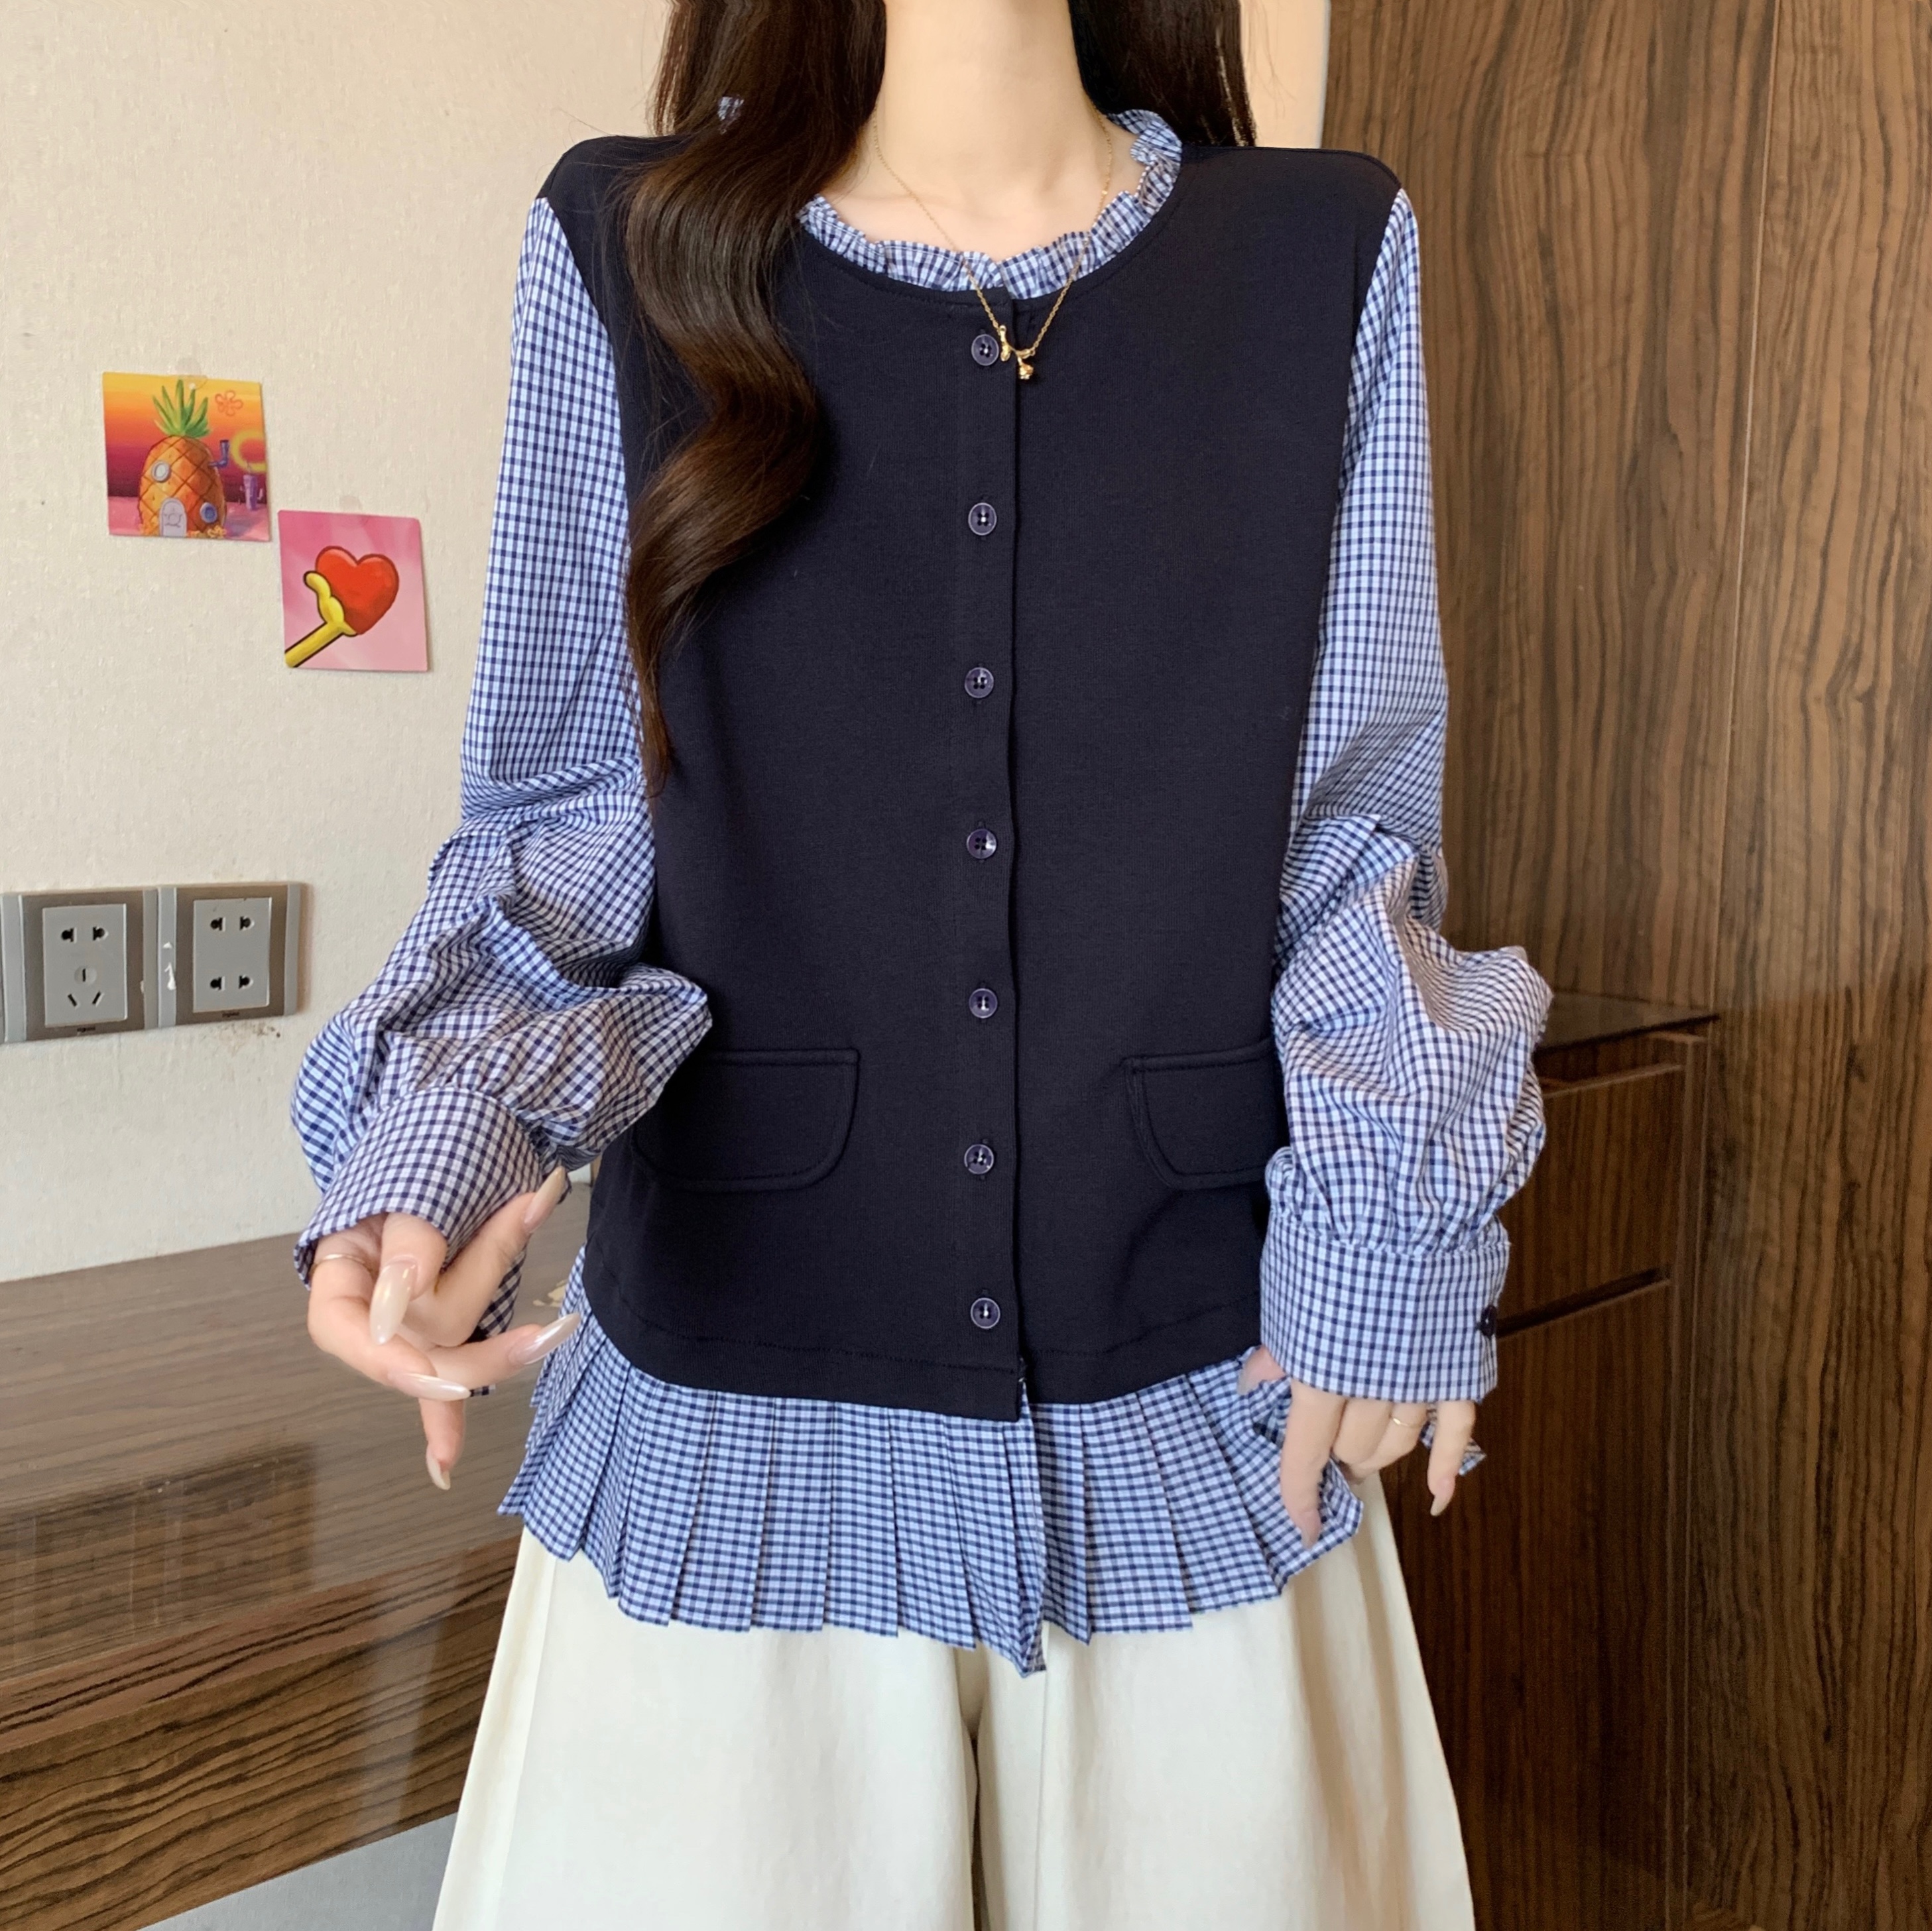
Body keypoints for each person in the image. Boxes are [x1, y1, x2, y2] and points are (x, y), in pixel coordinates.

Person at [292, 1, 1550, 1924]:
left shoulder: (1320, 257)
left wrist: (1390, 1233)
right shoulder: (624, 250)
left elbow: (1350, 837)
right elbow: (566, 825)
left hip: (1202, 1421)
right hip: (733, 1450)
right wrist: (435, 1155)